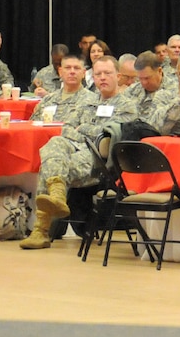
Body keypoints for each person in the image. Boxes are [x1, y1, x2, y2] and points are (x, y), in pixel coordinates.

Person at [21, 57, 121, 249]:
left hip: (98, 159)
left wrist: (81, 129)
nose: (102, 78)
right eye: (98, 74)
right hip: (76, 149)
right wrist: (77, 131)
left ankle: (40, 230)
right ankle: (56, 197)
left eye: (107, 73)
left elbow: (106, 133)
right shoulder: (90, 104)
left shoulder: (122, 103)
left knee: (52, 163)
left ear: (118, 76)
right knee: (54, 146)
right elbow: (70, 130)